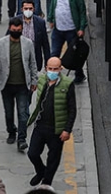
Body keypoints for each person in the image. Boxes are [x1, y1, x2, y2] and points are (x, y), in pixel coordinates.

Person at [26, 57, 76, 186]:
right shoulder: (42, 79)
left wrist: (67, 129)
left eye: (55, 69)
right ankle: (41, 171)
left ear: (60, 69)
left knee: (53, 158)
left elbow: (72, 109)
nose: (52, 71)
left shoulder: (68, 84)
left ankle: (46, 183)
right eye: (50, 69)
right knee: (32, 153)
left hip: (57, 128)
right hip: (41, 124)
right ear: (46, 68)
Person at [0, 18, 38, 152]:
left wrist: (34, 80)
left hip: (23, 85)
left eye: (18, 30)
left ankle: (21, 139)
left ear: (22, 29)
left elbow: (32, 63)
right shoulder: (1, 44)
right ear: (10, 29)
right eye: (13, 30)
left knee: (23, 113)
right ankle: (11, 131)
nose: (16, 32)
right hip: (6, 85)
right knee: (9, 112)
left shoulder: (28, 44)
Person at [47, 0, 87, 83]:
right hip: (58, 29)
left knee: (75, 54)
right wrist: (50, 19)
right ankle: (53, 75)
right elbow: (53, 6)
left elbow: (82, 12)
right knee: (54, 53)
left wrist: (81, 28)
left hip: (72, 30)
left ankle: (79, 74)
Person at [14, 0, 50, 71]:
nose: (28, 10)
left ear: (34, 9)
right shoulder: (15, 21)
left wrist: (47, 63)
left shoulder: (40, 22)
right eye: (26, 8)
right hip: (19, 57)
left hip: (34, 58)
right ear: (22, 9)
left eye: (30, 8)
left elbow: (45, 44)